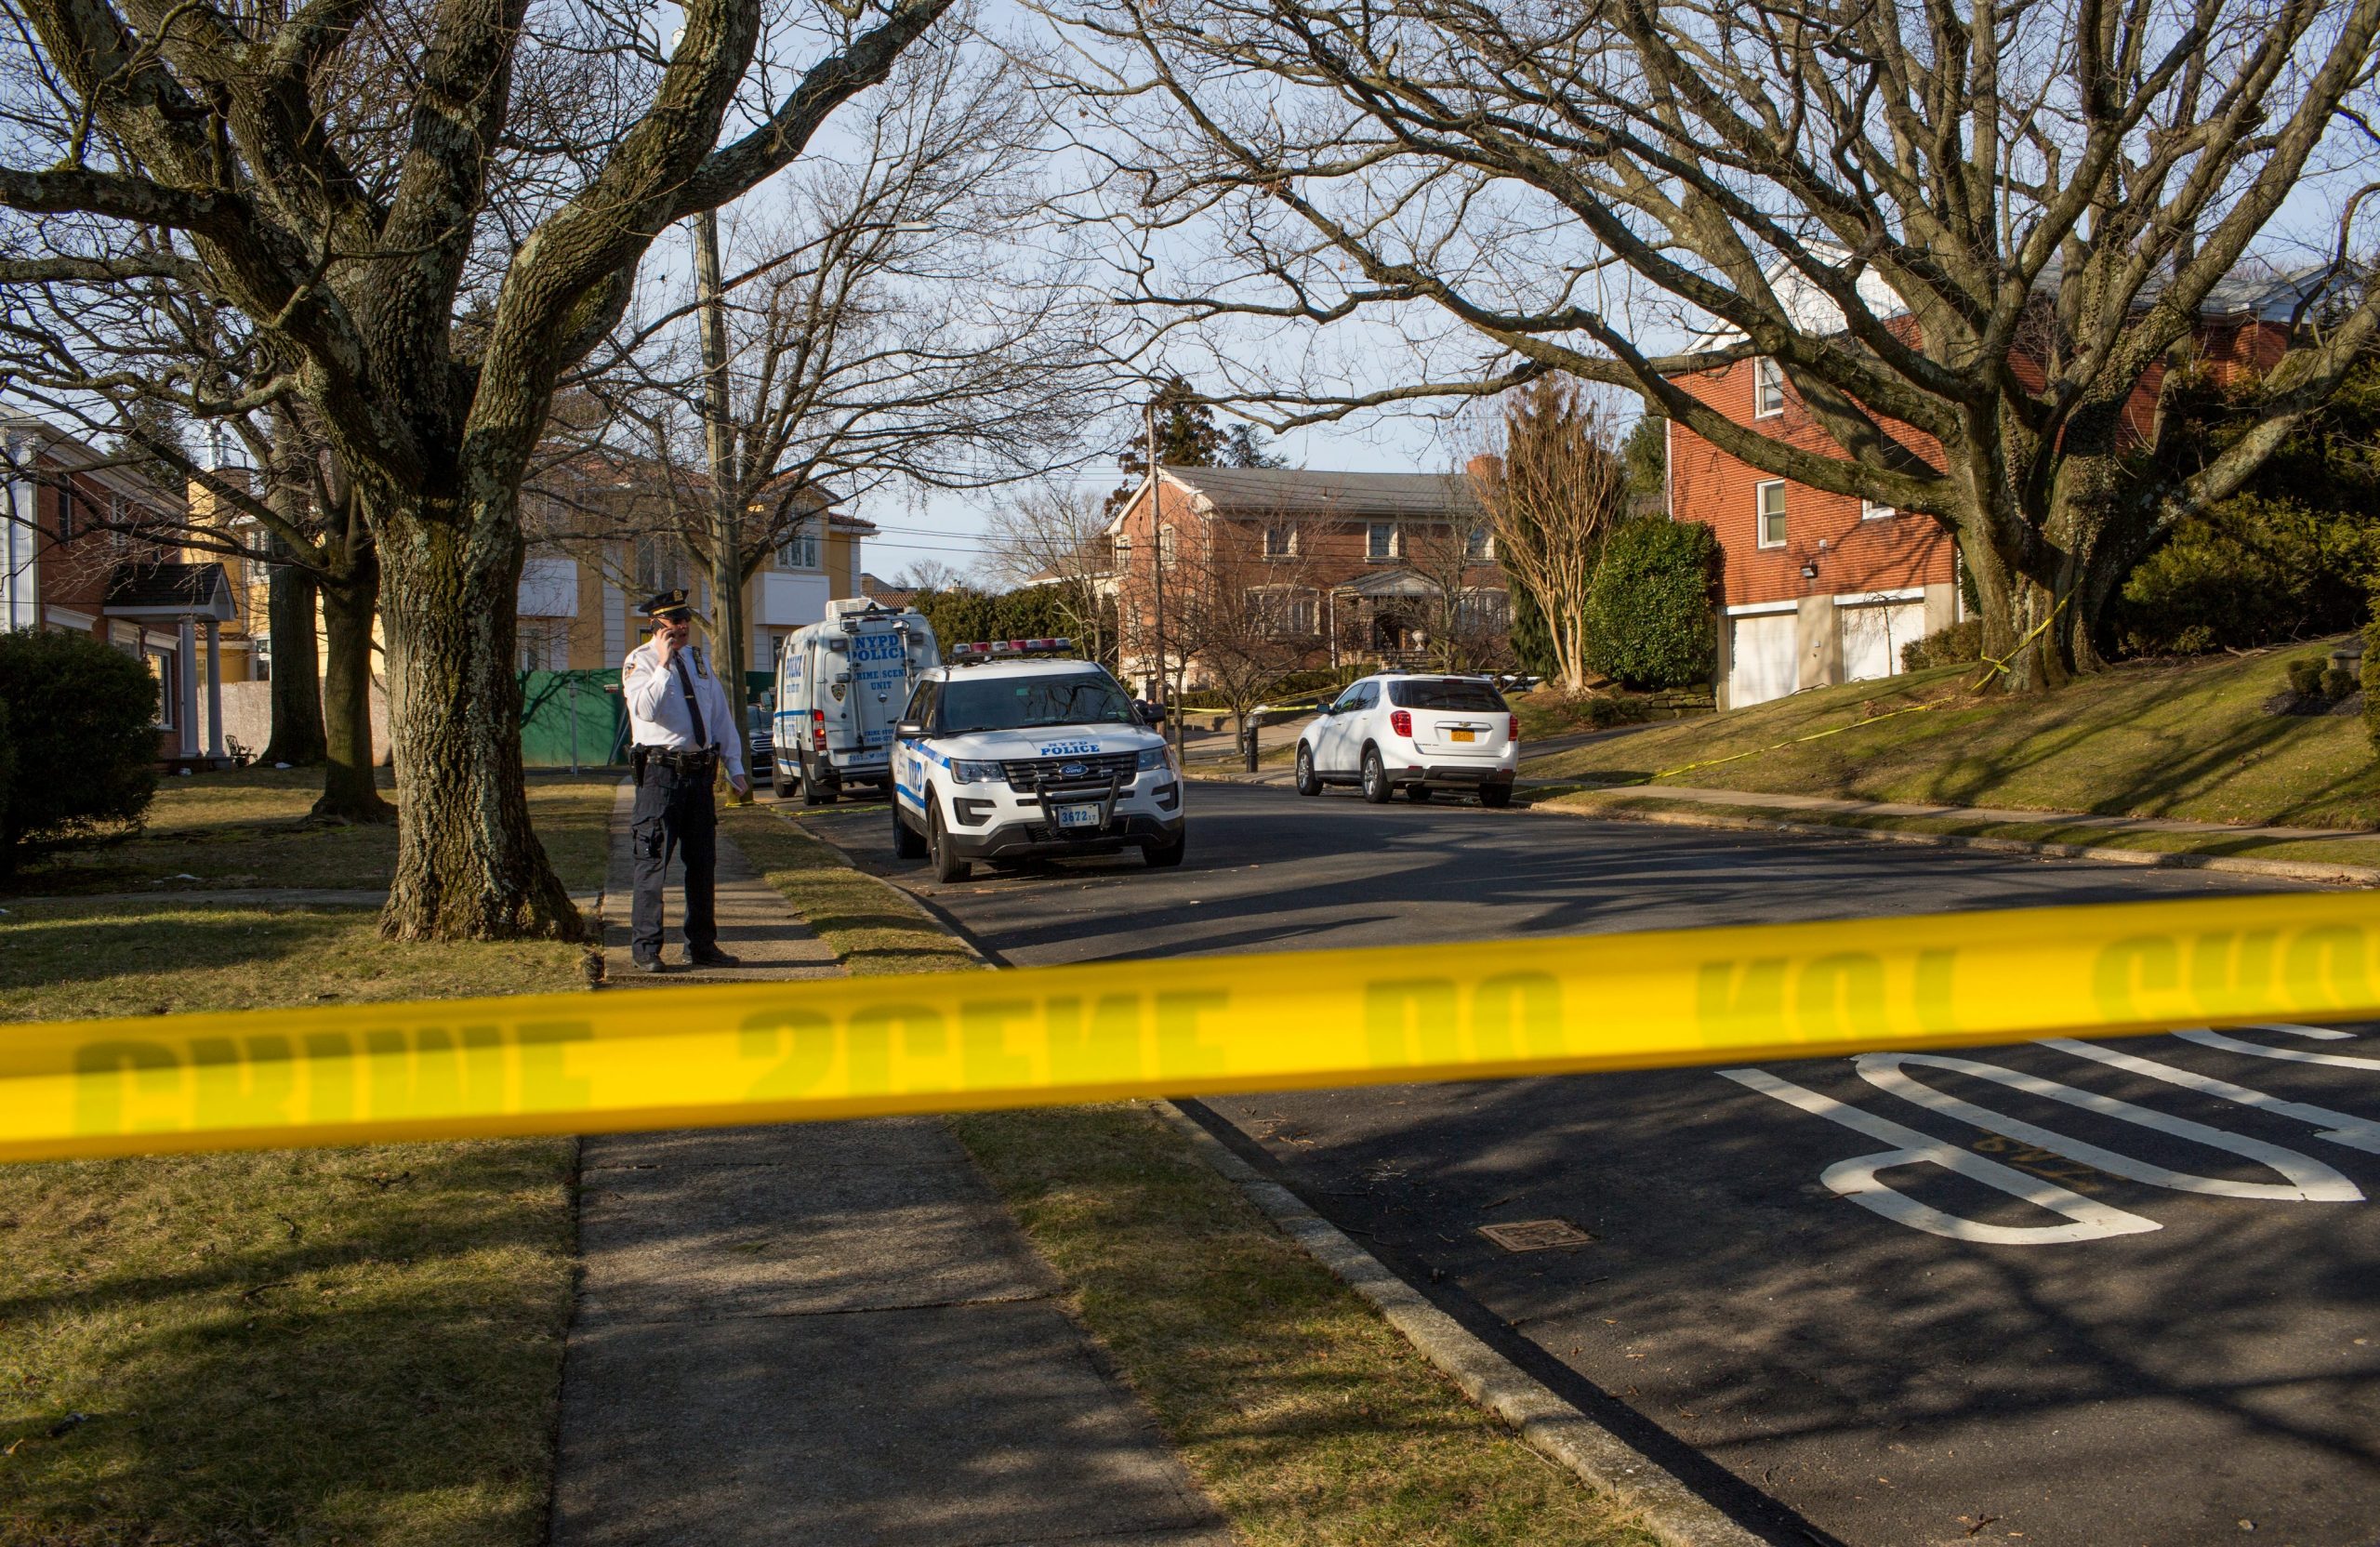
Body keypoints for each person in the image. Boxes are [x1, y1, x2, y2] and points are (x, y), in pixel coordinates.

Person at [622, 588, 748, 972]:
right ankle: (646, 949)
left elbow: (719, 715)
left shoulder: (699, 662)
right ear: (655, 625)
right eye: (673, 622)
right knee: (652, 861)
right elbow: (645, 709)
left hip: (699, 776)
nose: (681, 629)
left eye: (685, 621)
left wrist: (735, 764)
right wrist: (662, 663)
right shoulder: (639, 662)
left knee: (703, 864)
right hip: (660, 777)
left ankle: (702, 946)